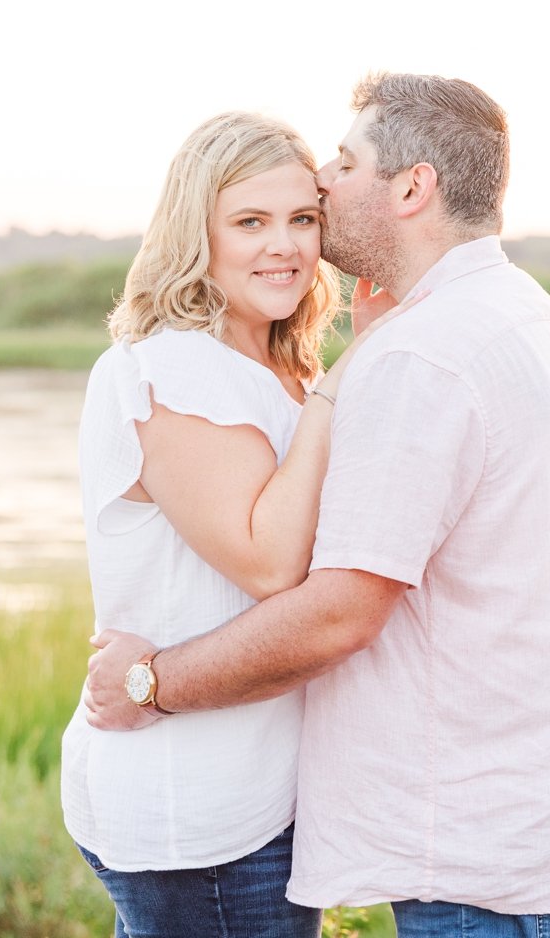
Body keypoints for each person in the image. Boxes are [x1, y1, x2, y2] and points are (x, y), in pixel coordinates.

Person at [85, 74, 550, 937]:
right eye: (251, 219)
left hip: (478, 826)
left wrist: (150, 680)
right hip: (474, 814)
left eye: (339, 171)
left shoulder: (416, 354)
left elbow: (336, 613)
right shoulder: (512, 311)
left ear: (412, 186)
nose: (323, 182)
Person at [62, 110, 400, 938]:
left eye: (301, 220)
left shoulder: (274, 370)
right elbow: (267, 562)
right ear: (197, 234)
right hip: (199, 811)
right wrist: (350, 375)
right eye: (249, 222)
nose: (282, 246)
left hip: (251, 792)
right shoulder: (173, 363)